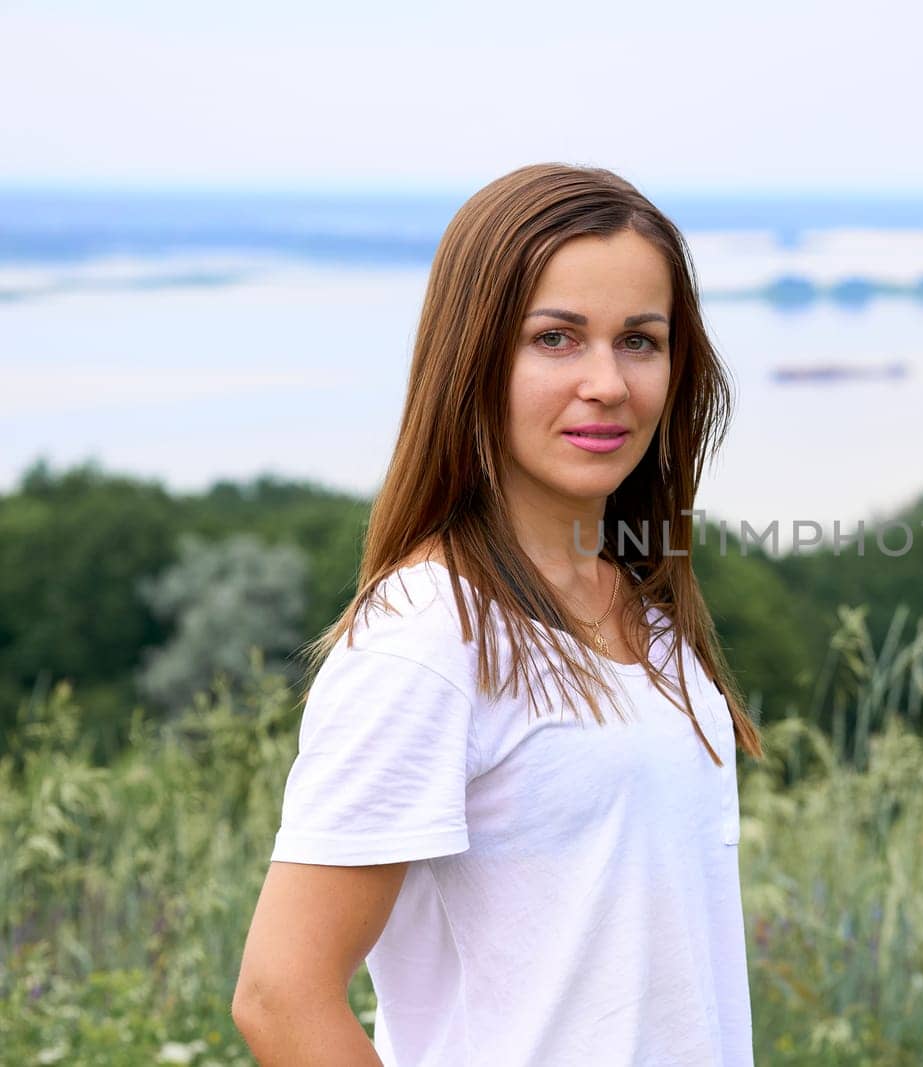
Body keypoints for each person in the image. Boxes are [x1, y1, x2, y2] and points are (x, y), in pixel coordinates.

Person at [231, 163, 764, 1066]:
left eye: (640, 340)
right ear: (472, 355)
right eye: (556, 338)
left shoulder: (650, 616)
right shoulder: (430, 635)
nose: (608, 383)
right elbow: (282, 998)